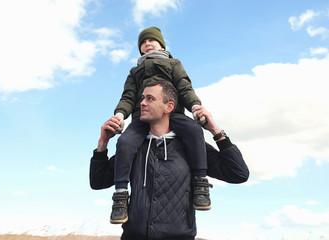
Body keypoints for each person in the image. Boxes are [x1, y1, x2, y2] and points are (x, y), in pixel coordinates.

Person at [90, 81, 250, 240]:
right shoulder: (133, 147)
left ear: (169, 107)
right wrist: (102, 143)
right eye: (142, 98)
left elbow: (238, 174)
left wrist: (216, 130)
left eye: (150, 98)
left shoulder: (193, 147)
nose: (142, 103)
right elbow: (98, 182)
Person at [111, 26, 211, 224]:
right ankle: (120, 196)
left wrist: (196, 106)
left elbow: (184, 86)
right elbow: (129, 96)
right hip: (142, 117)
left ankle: (201, 182)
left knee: (193, 129)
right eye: (143, 42)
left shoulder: (173, 63)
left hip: (171, 113)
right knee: (124, 142)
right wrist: (120, 115)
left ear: (162, 45)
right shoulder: (135, 71)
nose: (147, 44)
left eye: (151, 40)